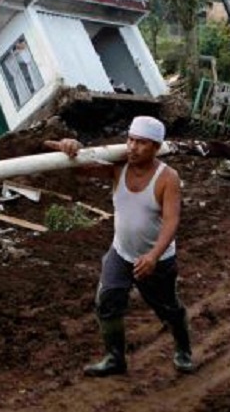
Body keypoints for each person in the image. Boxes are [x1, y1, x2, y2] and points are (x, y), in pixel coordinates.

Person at [45, 115, 193, 377]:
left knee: (168, 308)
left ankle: (183, 350)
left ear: (156, 147)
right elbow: (80, 169)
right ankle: (115, 359)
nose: (133, 147)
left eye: (142, 143)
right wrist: (70, 148)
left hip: (156, 259)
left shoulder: (167, 177)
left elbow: (172, 221)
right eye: (130, 140)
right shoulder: (118, 167)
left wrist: (153, 256)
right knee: (108, 301)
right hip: (121, 253)